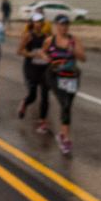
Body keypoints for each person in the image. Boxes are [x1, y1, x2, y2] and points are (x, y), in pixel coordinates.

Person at [41, 15, 85, 155]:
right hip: (54, 76)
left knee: (67, 106)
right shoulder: (50, 40)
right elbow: (43, 51)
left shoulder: (74, 40)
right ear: (56, 26)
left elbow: (83, 58)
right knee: (65, 103)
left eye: (66, 24)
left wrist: (74, 51)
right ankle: (66, 140)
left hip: (71, 77)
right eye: (61, 24)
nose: (64, 27)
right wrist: (45, 57)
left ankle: (62, 135)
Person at [17, 12, 51, 133]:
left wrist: (48, 57)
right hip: (31, 68)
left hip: (43, 69)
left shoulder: (46, 37)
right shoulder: (28, 36)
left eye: (41, 21)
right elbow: (20, 51)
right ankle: (24, 104)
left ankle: (42, 122)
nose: (40, 23)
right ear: (33, 23)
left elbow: (49, 52)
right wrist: (33, 54)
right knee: (33, 95)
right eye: (37, 21)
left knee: (45, 95)